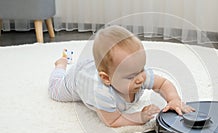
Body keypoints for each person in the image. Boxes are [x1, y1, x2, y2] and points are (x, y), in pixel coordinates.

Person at [49, 25, 195, 127]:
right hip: (77, 78)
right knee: (54, 91)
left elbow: (163, 84)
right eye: (131, 76)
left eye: (141, 69)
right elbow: (113, 121)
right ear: (107, 79)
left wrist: (174, 100)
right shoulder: (102, 92)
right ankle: (60, 65)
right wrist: (139, 117)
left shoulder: (138, 73)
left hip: (100, 69)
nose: (140, 79)